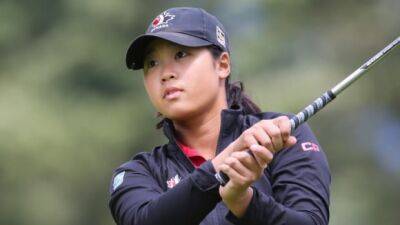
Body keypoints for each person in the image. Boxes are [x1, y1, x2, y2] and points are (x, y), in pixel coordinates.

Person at [108, 7, 330, 225]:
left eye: (181, 54)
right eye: (152, 63)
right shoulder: (137, 173)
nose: (166, 73)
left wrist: (244, 202)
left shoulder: (284, 136)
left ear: (222, 65)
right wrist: (223, 165)